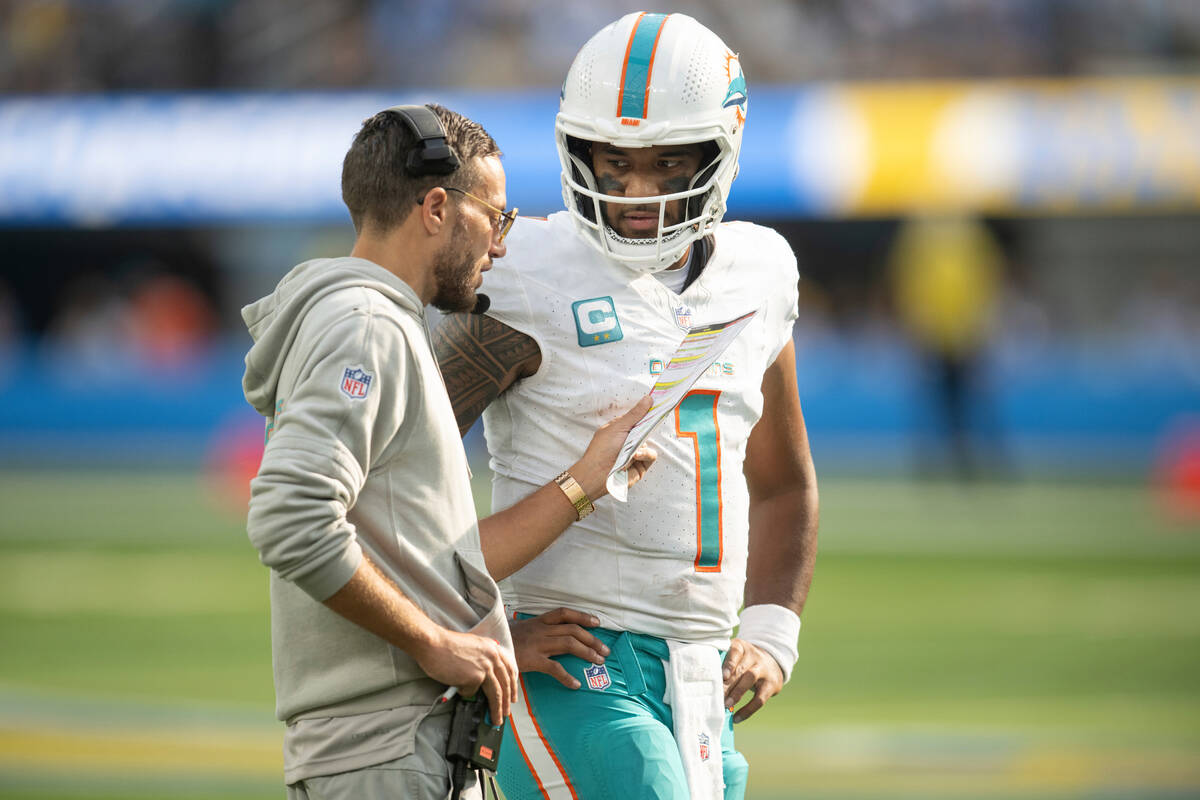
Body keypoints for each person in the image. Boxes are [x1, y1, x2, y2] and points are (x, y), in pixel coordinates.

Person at [432, 13, 819, 800]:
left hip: (703, 681)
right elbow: (401, 477)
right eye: (614, 163)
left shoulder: (761, 270)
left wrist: (774, 629)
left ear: (722, 148)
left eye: (669, 162)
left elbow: (782, 483)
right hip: (573, 665)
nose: (638, 190)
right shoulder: (524, 272)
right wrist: (480, 625)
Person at [242, 103, 655, 800]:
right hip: (383, 752)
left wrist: (481, 630)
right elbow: (291, 518)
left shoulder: (373, 323)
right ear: (436, 207)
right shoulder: (366, 327)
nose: (500, 247)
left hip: (400, 741)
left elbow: (405, 546)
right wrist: (434, 644)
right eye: (497, 218)